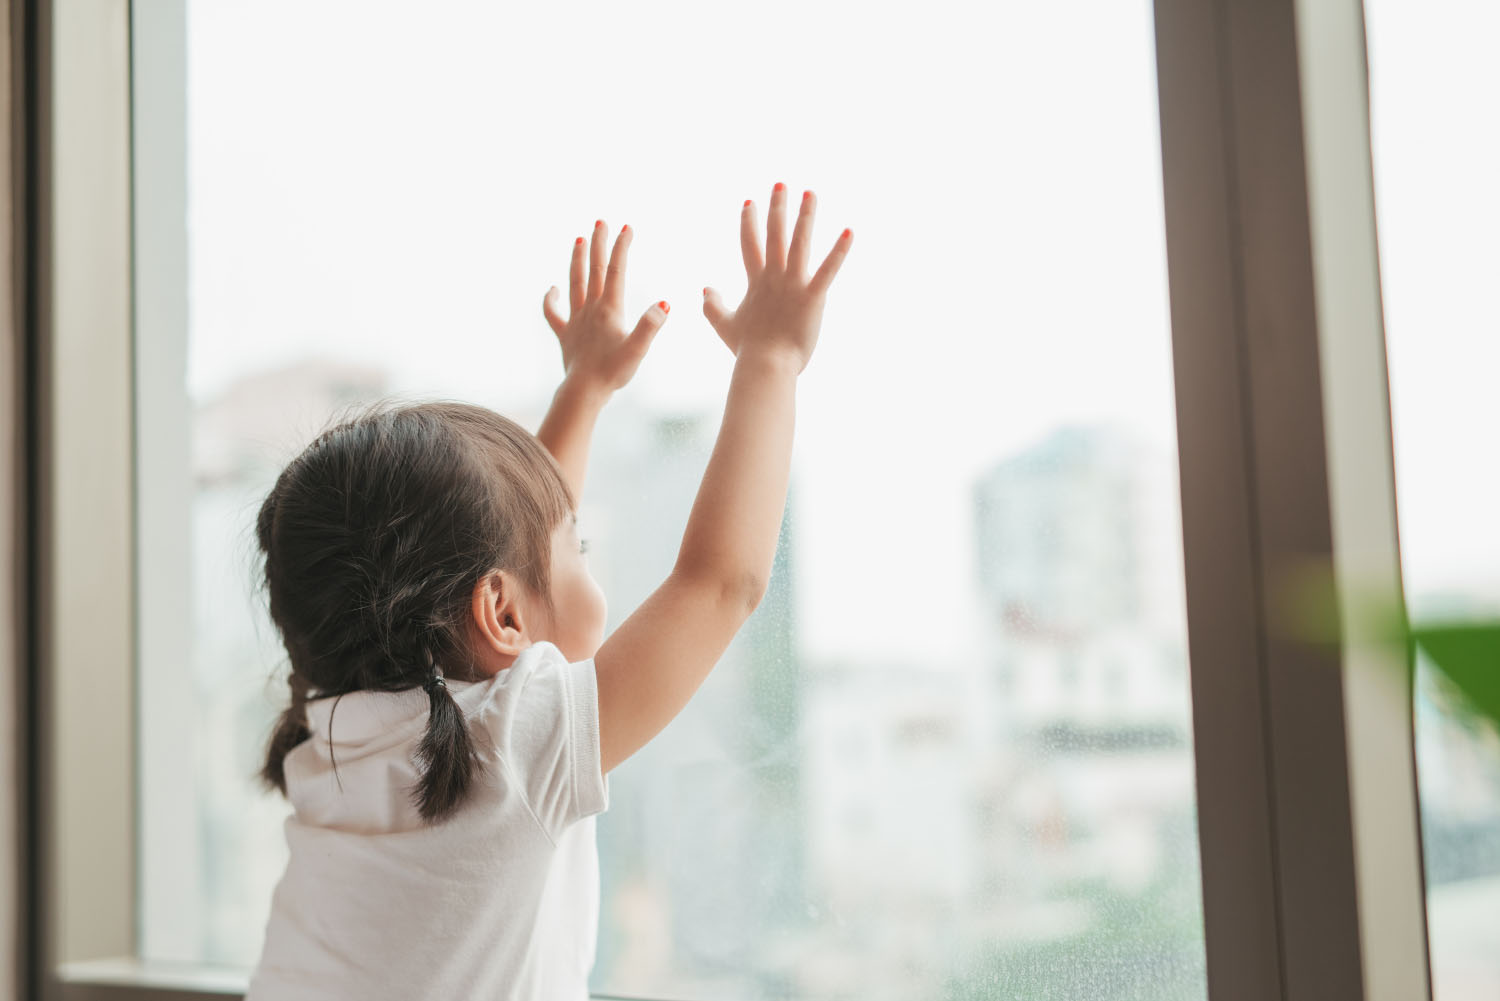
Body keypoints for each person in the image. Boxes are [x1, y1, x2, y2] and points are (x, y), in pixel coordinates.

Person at [243, 182, 852, 1000]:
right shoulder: (512, 750)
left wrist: (584, 391)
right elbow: (717, 583)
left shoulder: (331, 739)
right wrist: (770, 360)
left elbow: (518, 559)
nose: (586, 555)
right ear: (499, 612)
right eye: (581, 546)